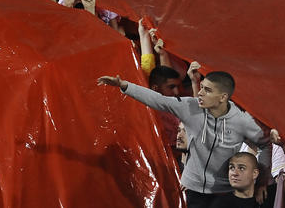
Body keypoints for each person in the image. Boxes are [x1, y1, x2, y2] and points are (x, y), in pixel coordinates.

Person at [97, 71, 269, 206]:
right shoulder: (189, 106)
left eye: (207, 90)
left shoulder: (242, 121)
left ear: (223, 97)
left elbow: (266, 146)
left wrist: (261, 182)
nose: (200, 93)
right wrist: (125, 85)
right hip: (193, 188)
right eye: (201, 87)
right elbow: (159, 100)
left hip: (225, 191)